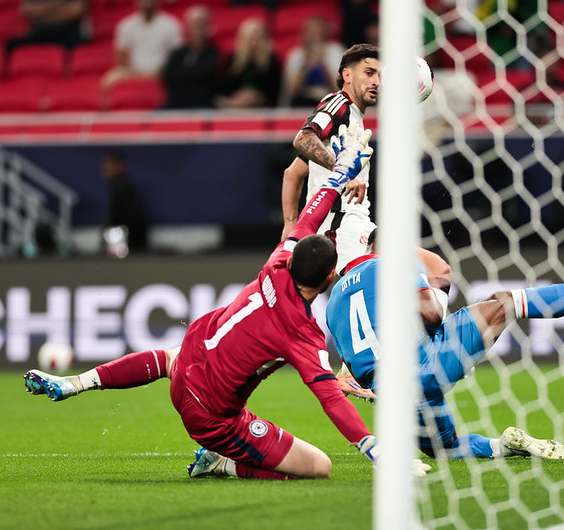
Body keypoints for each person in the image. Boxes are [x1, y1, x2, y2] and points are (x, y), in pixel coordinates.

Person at [24, 126, 429, 479]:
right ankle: (221, 462)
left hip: (186, 366)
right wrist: (373, 446)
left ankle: (77, 382)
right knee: (319, 467)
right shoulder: (301, 332)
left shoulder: (278, 261)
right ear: (329, 279)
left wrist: (342, 173)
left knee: (171, 356)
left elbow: (314, 207)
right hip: (213, 420)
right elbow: (329, 394)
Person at [326, 230, 564, 459]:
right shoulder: (394, 264)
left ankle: (502, 447)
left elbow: (351, 366)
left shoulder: (333, 302)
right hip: (430, 365)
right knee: (508, 303)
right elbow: (432, 314)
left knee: (445, 449)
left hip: (398, 395)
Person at [282, 44, 380, 276]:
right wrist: (345, 174)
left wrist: (290, 226)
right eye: (369, 73)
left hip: (352, 222)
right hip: (342, 223)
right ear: (347, 75)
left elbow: (292, 174)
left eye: (379, 75)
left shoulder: (351, 121)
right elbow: (303, 137)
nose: (376, 81)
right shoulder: (339, 104)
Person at [101, 0, 182, 89]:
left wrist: (159, 72)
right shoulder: (126, 26)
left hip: (161, 73)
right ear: (137, 1)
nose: (147, 3)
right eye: (143, 0)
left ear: (157, 1)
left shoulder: (171, 25)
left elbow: (176, 57)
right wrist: (134, 73)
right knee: (108, 80)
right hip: (133, 73)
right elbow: (121, 60)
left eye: (150, 0)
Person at [160, 5, 220, 109]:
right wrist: (193, 75)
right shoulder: (178, 53)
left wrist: (182, 74)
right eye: (195, 25)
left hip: (201, 103)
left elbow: (207, 75)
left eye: (201, 25)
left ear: (208, 27)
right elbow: (167, 76)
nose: (198, 30)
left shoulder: (213, 53)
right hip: (175, 103)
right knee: (152, 120)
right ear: (187, 28)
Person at [279, 16, 345, 107]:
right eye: (310, 32)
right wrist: (307, 65)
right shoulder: (296, 54)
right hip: (302, 101)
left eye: (317, 32)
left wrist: (323, 63)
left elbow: (340, 87)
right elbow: (291, 90)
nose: (314, 36)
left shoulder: (335, 51)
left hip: (330, 100)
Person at [215, 17, 281, 109]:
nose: (254, 43)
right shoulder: (231, 60)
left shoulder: (271, 61)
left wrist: (256, 97)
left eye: (257, 38)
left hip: (262, 107)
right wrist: (238, 97)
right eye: (250, 39)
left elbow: (275, 90)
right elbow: (222, 88)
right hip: (234, 106)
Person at [101, 151, 149, 253]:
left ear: (119, 166)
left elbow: (129, 219)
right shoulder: (118, 187)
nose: (105, 167)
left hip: (129, 245)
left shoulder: (124, 189)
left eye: (109, 164)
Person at [5, 0, 87, 51]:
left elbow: (76, 11)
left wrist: (43, 13)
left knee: (82, 48)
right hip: (39, 34)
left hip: (65, 35)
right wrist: (56, 6)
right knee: (10, 45)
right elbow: (25, 10)